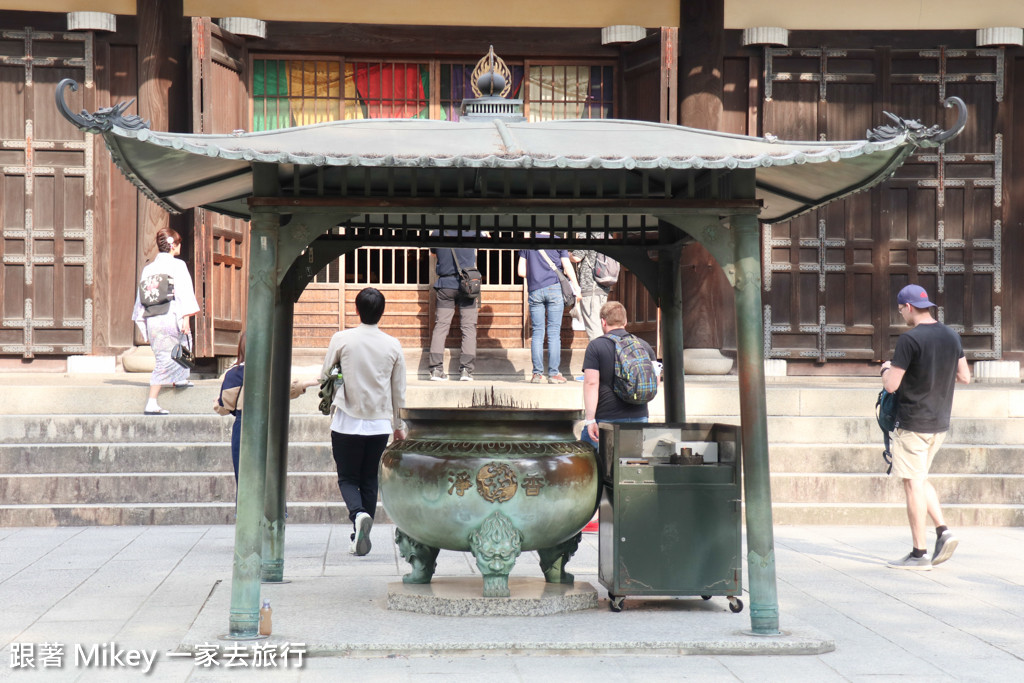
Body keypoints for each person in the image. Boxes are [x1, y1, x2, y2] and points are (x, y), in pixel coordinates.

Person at [880, 284, 971, 570]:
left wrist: (884, 368)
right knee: (920, 478)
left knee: (912, 484)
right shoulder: (951, 335)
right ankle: (944, 531)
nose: (901, 314)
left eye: (900, 309)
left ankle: (919, 553)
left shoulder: (910, 340)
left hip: (913, 422)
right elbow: (965, 376)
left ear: (908, 307)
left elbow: (892, 385)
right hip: (939, 423)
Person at [321, 287, 407, 556]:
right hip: (379, 423)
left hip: (347, 419)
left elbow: (326, 373)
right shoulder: (393, 344)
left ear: (356, 310)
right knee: (370, 478)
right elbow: (398, 390)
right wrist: (399, 426)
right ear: (382, 312)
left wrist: (340, 377)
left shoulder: (342, 339)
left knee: (347, 477)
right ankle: (360, 533)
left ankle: (357, 516)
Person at [213, 332, 317, 485]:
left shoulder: (233, 374)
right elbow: (287, 388)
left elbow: (223, 407)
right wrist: (306, 383)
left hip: (244, 426)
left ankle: (244, 509)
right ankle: (280, 510)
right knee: (272, 477)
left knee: (244, 478)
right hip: (269, 424)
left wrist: (217, 402)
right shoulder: (271, 371)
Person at [131, 227, 200, 415]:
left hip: (153, 316)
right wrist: (186, 317)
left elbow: (142, 297)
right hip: (171, 314)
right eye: (178, 244)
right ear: (173, 245)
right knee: (171, 354)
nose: (179, 248)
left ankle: (180, 377)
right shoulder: (178, 265)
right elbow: (184, 292)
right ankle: (151, 402)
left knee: (176, 347)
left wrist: (143, 321)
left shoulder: (149, 268)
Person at [580, 301, 656, 448]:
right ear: (625, 322)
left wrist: (590, 420)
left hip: (606, 420)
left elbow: (591, 383)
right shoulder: (644, 346)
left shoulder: (596, 346)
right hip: (639, 417)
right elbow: (655, 381)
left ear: (603, 322)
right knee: (631, 464)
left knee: (587, 459)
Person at [517, 244, 580, 383]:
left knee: (537, 333)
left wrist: (536, 275)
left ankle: (537, 374)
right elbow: (567, 266)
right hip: (554, 288)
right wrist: (576, 287)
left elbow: (521, 271)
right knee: (553, 332)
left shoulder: (527, 243)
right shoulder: (558, 241)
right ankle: (553, 374)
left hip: (535, 290)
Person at [428, 244, 479, 381]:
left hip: (445, 285)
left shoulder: (438, 232)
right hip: (467, 286)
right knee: (468, 328)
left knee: (441, 326)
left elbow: (433, 252)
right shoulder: (472, 230)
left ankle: (436, 370)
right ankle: (466, 371)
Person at [570, 249, 613, 341]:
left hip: (590, 287)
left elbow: (576, 257)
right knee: (601, 326)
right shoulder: (604, 235)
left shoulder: (588, 234)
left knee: (594, 329)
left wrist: (567, 254)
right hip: (603, 287)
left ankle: (599, 354)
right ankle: (603, 352)